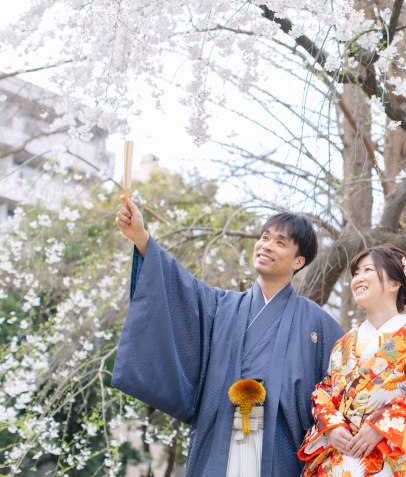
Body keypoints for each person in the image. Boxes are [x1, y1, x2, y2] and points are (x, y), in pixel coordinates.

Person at [112, 197, 344, 477]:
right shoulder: (219, 305)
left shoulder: (318, 323)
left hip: (279, 449)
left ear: (299, 261)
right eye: (264, 237)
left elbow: (342, 390)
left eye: (280, 242)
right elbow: (178, 287)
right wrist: (140, 237)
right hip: (220, 437)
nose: (266, 246)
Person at [299, 244, 406, 477]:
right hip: (343, 457)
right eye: (355, 273)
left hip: (391, 455)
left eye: (367, 270)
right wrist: (332, 426)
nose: (358, 278)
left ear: (395, 283)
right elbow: (325, 391)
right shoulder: (344, 343)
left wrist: (381, 425)